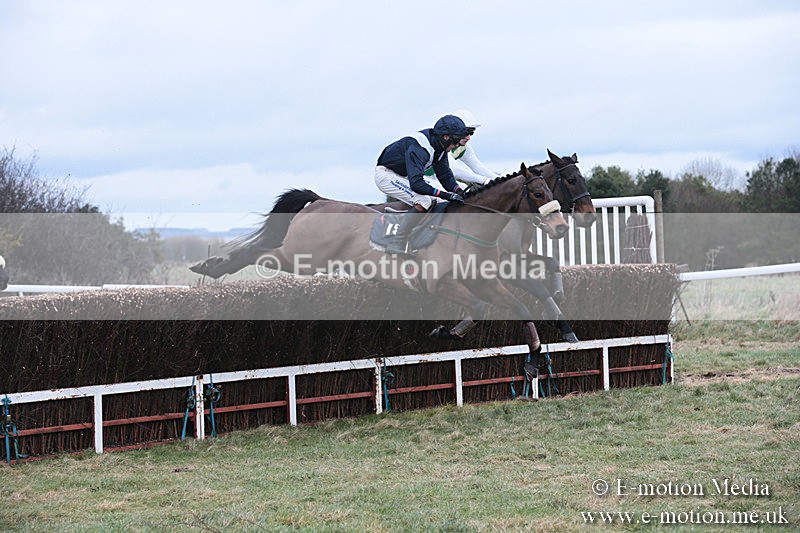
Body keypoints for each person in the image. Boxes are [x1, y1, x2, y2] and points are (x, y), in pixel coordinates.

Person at [375, 115, 469, 254]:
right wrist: (446, 195)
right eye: (456, 141)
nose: (456, 146)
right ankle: (397, 242)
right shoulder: (420, 148)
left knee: (441, 200)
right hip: (387, 175)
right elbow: (417, 184)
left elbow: (445, 175)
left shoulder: (440, 147)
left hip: (404, 176)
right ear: (445, 137)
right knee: (424, 201)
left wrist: (459, 191)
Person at [424, 109, 500, 187]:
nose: (468, 138)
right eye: (466, 133)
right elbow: (455, 170)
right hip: (419, 177)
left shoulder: (465, 148)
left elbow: (478, 168)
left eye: (471, 133)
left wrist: (500, 179)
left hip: (434, 177)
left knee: (464, 188)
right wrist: (484, 180)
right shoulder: (444, 145)